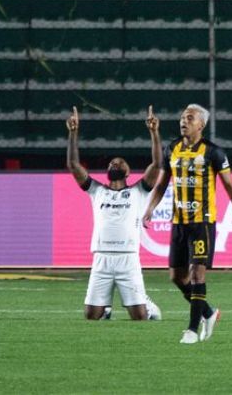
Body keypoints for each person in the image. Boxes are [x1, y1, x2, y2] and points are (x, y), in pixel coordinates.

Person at [143, 104, 232, 344]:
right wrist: (149, 209)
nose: (184, 121)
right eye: (182, 117)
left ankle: (192, 330)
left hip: (202, 223)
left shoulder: (214, 153)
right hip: (178, 223)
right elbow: (162, 184)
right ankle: (208, 313)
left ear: (201, 124)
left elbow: (230, 187)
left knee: (196, 275)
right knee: (176, 277)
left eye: (190, 118)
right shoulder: (172, 149)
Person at [67, 105, 162, 321]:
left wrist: (154, 132)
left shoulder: (138, 191)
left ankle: (146, 303)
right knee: (91, 316)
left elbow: (157, 163)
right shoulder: (96, 191)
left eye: (119, 162)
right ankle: (105, 309)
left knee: (140, 317)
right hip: (101, 257)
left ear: (128, 172)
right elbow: (73, 164)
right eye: (112, 162)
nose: (115, 162)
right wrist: (73, 133)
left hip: (128, 258)